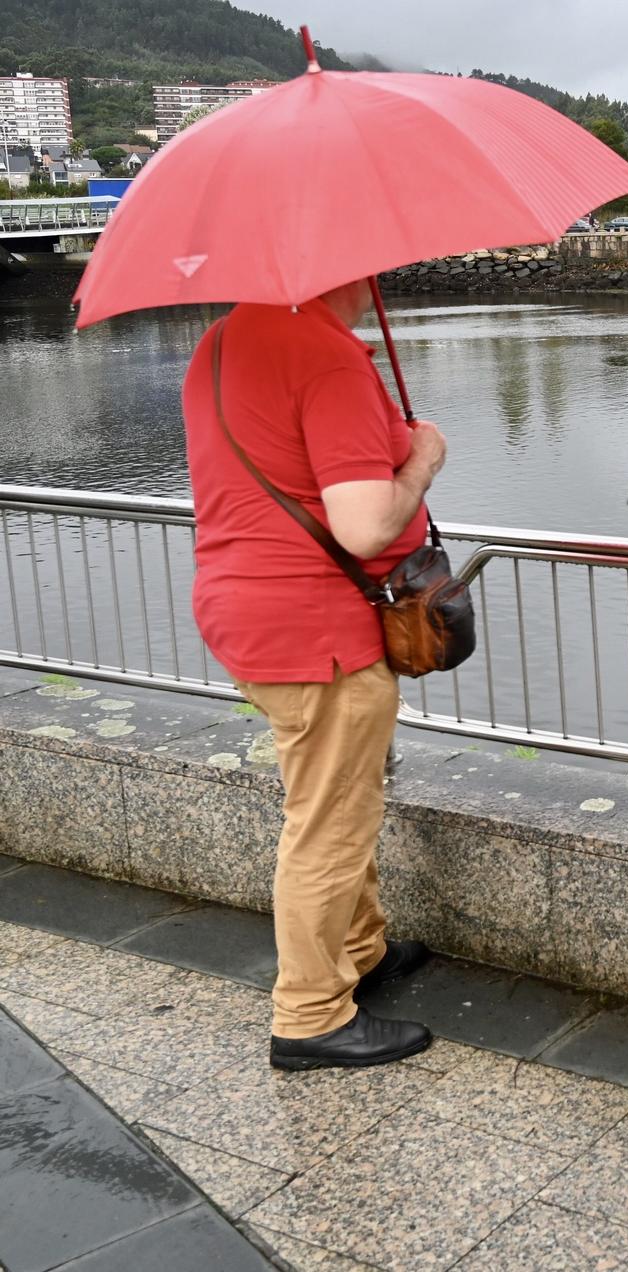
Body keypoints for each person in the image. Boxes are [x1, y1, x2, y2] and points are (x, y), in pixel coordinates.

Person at [182, 278, 441, 1071]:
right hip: (316, 630)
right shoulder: (325, 359)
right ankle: (310, 1014)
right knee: (329, 823)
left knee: (334, 797)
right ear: (345, 267)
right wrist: (422, 459)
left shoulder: (221, 342)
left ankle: (359, 950)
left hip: (241, 608)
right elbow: (363, 525)